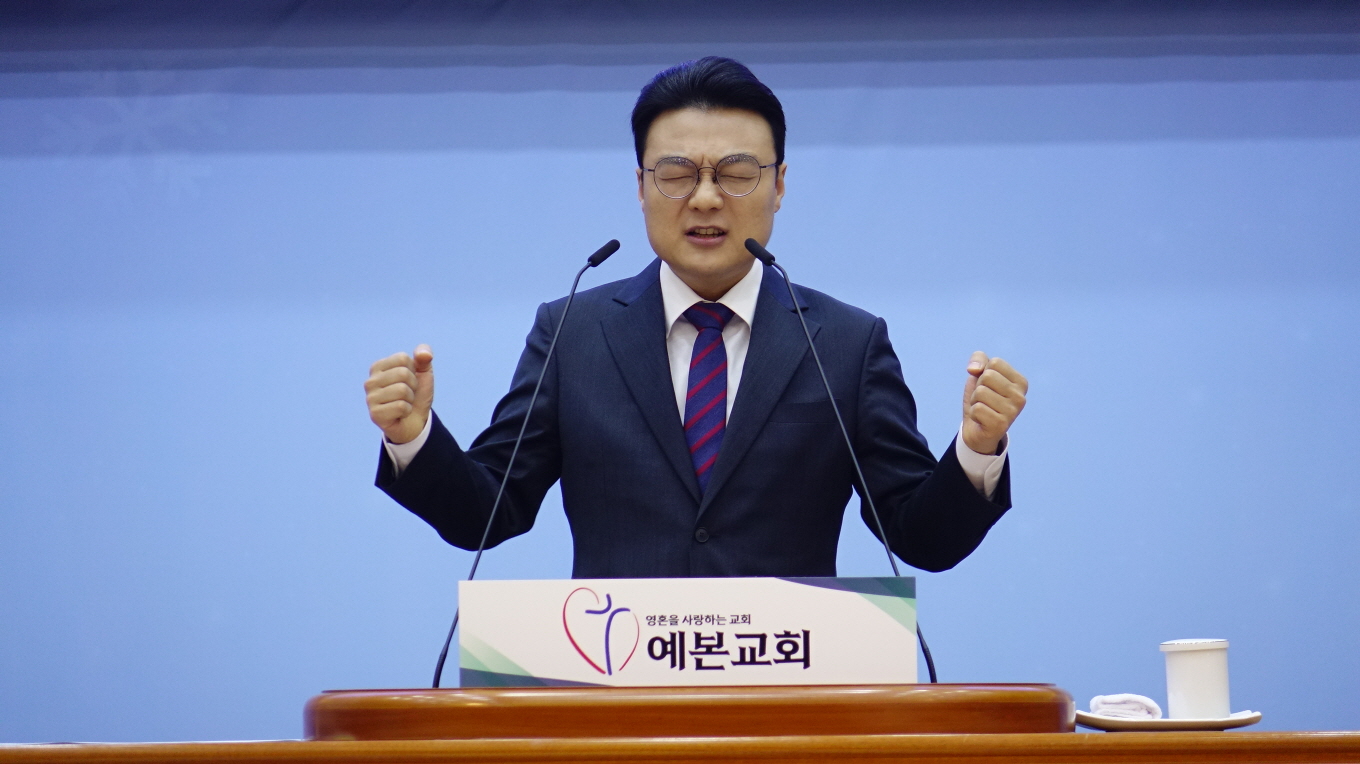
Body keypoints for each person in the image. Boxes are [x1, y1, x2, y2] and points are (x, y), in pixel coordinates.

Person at [362, 57, 1028, 578]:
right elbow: (486, 513)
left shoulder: (846, 344)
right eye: (677, 174)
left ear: (779, 185)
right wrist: (414, 438)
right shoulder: (573, 333)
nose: (706, 199)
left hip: (788, 691)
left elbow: (920, 538)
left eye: (736, 173)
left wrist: (976, 448)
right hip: (611, 686)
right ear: (640, 186)